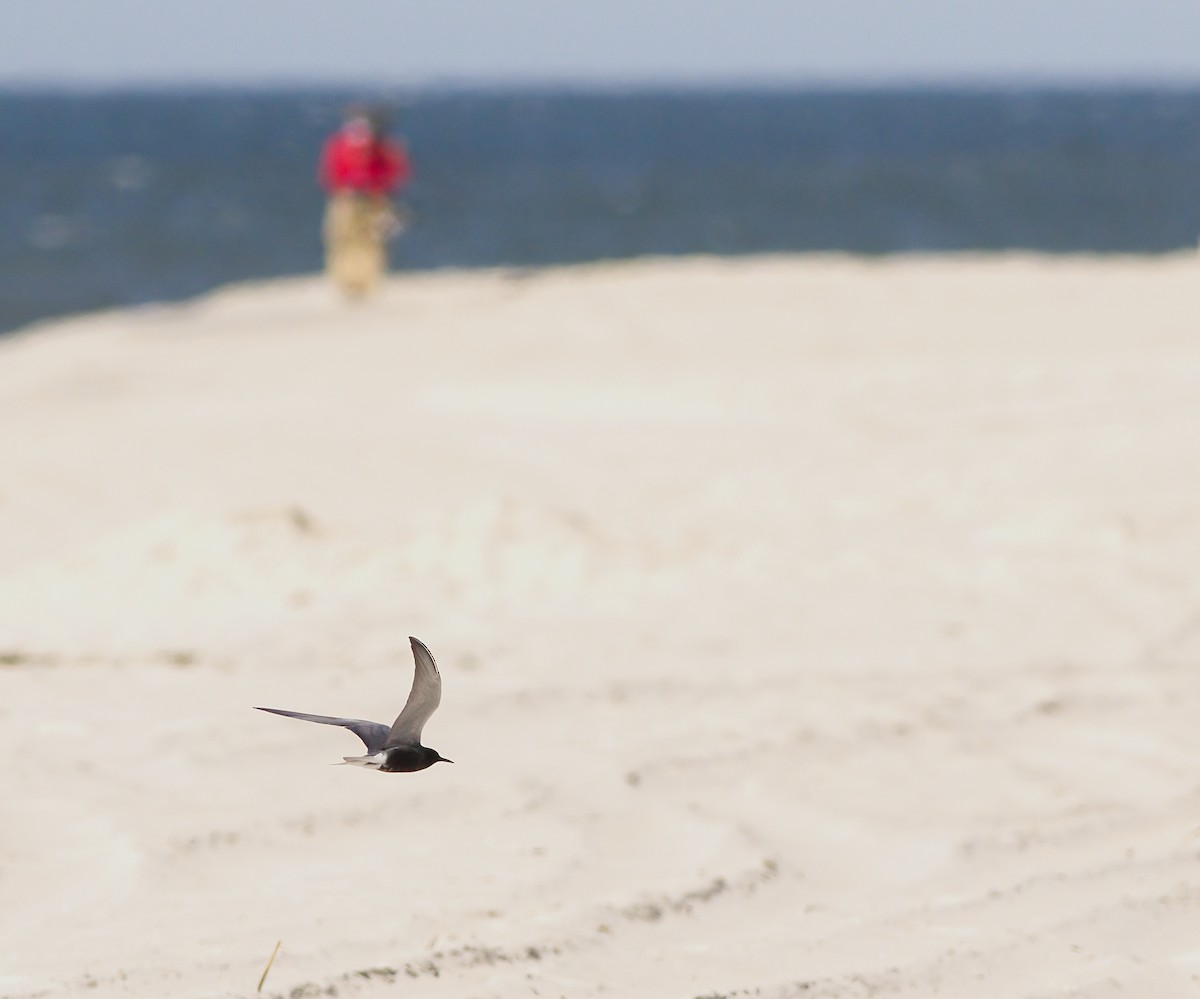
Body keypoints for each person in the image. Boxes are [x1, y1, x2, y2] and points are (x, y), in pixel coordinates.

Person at [318, 106, 412, 298]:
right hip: (346, 199)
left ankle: (366, 282)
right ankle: (346, 281)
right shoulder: (340, 145)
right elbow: (331, 171)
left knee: (372, 241)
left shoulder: (386, 148)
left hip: (375, 199)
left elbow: (397, 172)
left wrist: (381, 191)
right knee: (343, 238)